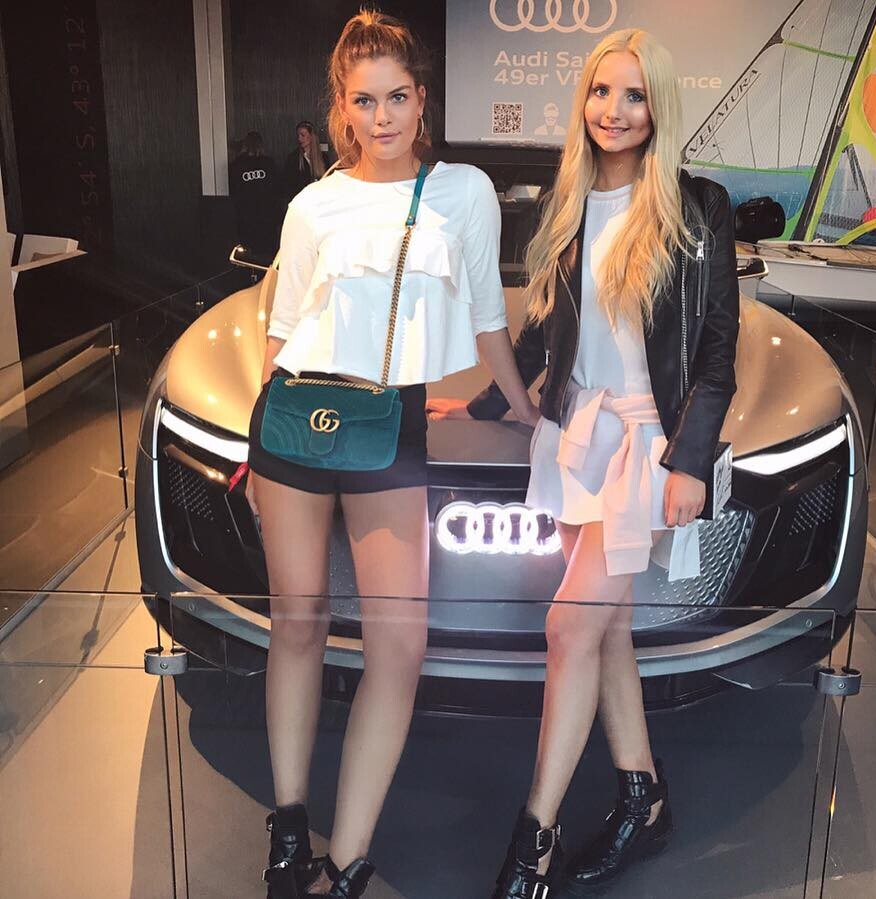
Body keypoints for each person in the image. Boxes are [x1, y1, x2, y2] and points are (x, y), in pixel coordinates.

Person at [428, 28, 739, 898]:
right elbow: (542, 328)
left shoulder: (697, 207)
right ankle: (642, 796)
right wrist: (484, 405)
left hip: (645, 445)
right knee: (602, 627)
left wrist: (688, 460)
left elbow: (716, 351)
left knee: (568, 625)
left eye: (633, 95)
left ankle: (533, 836)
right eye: (602, 91)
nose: (614, 110)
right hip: (573, 438)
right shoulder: (565, 201)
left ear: (658, 106)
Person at [246, 11, 538, 899]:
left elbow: (486, 315)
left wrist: (523, 407)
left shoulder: (461, 191)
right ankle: (288, 828)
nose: (382, 117)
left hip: (389, 423)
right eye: (364, 101)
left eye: (397, 97)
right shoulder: (313, 205)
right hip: (294, 422)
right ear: (340, 108)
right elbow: (282, 331)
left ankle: (348, 859)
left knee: (399, 643)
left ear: (422, 100)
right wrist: (255, 444)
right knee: (296, 621)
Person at [230, 130, 282, 258]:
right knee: (266, 254)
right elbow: (276, 189)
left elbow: (234, 191)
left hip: (246, 216)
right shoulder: (268, 163)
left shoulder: (236, 165)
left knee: (247, 254)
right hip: (267, 216)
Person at [284, 120, 327, 200]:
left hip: (320, 199)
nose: (299, 139)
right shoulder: (293, 158)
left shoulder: (323, 157)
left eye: (302, 135)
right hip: (302, 200)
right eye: (298, 136)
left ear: (311, 136)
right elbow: (288, 185)